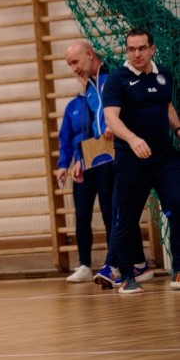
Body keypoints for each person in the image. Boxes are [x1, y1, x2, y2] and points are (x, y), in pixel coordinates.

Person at [63, 40, 152, 288]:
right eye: (69, 64)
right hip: (102, 157)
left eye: (75, 62)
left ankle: (118, 265)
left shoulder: (115, 76)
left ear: (90, 54)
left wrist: (119, 125)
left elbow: (132, 108)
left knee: (120, 210)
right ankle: (135, 263)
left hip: (124, 151)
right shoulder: (90, 89)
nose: (73, 69)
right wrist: (81, 159)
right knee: (112, 211)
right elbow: (95, 130)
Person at [102, 28, 180, 294]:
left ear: (152, 49)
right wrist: (133, 139)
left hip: (164, 156)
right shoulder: (117, 80)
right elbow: (111, 117)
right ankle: (126, 277)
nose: (137, 54)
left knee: (178, 204)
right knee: (126, 216)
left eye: (142, 48)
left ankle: (179, 271)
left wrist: (179, 129)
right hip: (131, 159)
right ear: (127, 51)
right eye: (131, 49)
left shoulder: (164, 75)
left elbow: (166, 106)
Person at [55, 77, 103, 282]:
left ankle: (116, 262)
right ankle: (84, 264)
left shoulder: (101, 98)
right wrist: (63, 165)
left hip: (102, 160)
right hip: (80, 167)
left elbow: (99, 129)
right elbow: (65, 139)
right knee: (82, 215)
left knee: (112, 211)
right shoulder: (73, 106)